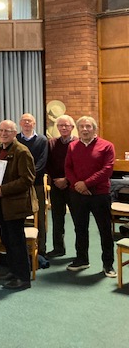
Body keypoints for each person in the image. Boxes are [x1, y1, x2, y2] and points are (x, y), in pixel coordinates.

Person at [0, 120, 35, 290]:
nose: (4, 133)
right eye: (1, 130)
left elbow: (27, 180)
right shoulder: (1, 149)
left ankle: (23, 278)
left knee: (16, 241)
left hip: (15, 204)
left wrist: (3, 189)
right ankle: (14, 271)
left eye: (8, 131)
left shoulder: (22, 151)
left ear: (15, 133)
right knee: (7, 239)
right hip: (1, 202)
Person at [64, 116, 116, 277]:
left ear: (95, 129)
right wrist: (78, 185)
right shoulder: (72, 146)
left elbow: (107, 169)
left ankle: (108, 264)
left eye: (88, 126)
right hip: (78, 194)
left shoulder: (107, 146)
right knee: (80, 228)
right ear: (77, 130)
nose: (85, 129)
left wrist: (86, 184)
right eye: (82, 127)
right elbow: (68, 168)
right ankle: (82, 259)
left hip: (99, 194)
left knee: (105, 229)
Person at [16, 113, 48, 262]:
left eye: (30, 121)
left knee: (39, 216)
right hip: (18, 186)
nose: (27, 123)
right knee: (19, 216)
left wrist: (27, 178)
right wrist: (21, 180)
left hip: (37, 185)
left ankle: (41, 249)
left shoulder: (42, 140)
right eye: (24, 121)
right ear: (20, 123)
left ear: (34, 124)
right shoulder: (15, 139)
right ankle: (21, 249)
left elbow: (42, 163)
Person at [46, 114, 76, 258]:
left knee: (78, 220)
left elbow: (79, 166)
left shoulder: (78, 143)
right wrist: (57, 180)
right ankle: (58, 248)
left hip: (73, 187)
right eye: (60, 125)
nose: (63, 128)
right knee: (57, 219)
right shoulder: (51, 143)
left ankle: (80, 253)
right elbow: (48, 163)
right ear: (57, 127)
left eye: (66, 125)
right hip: (56, 186)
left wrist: (67, 180)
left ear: (72, 127)